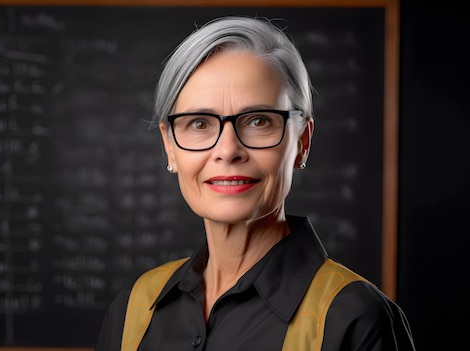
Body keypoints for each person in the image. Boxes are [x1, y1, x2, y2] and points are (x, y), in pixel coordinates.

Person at [95, 16, 416, 351]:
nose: (228, 150)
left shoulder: (355, 319)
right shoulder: (132, 310)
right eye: (199, 123)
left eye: (258, 121)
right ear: (170, 147)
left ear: (302, 141)